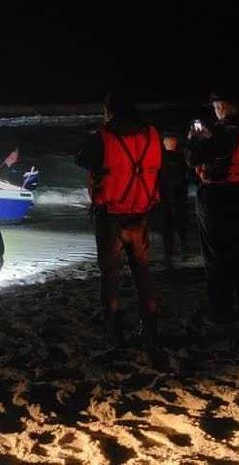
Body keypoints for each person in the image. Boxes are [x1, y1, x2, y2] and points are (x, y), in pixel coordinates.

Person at [75, 92, 162, 347]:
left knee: (111, 274)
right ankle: (150, 327)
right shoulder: (152, 134)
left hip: (111, 214)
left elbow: (80, 158)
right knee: (142, 272)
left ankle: (113, 328)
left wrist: (96, 133)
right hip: (141, 211)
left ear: (109, 111)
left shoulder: (103, 137)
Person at [186, 90, 239, 324]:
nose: (214, 110)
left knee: (216, 255)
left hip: (217, 197)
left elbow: (193, 158)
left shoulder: (222, 133)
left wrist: (194, 138)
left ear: (223, 107)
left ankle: (222, 310)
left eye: (216, 106)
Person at [157, 132, 191, 267]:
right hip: (174, 194)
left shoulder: (163, 157)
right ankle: (175, 250)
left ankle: (173, 251)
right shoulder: (181, 156)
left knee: (172, 225)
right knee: (174, 224)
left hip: (172, 195)